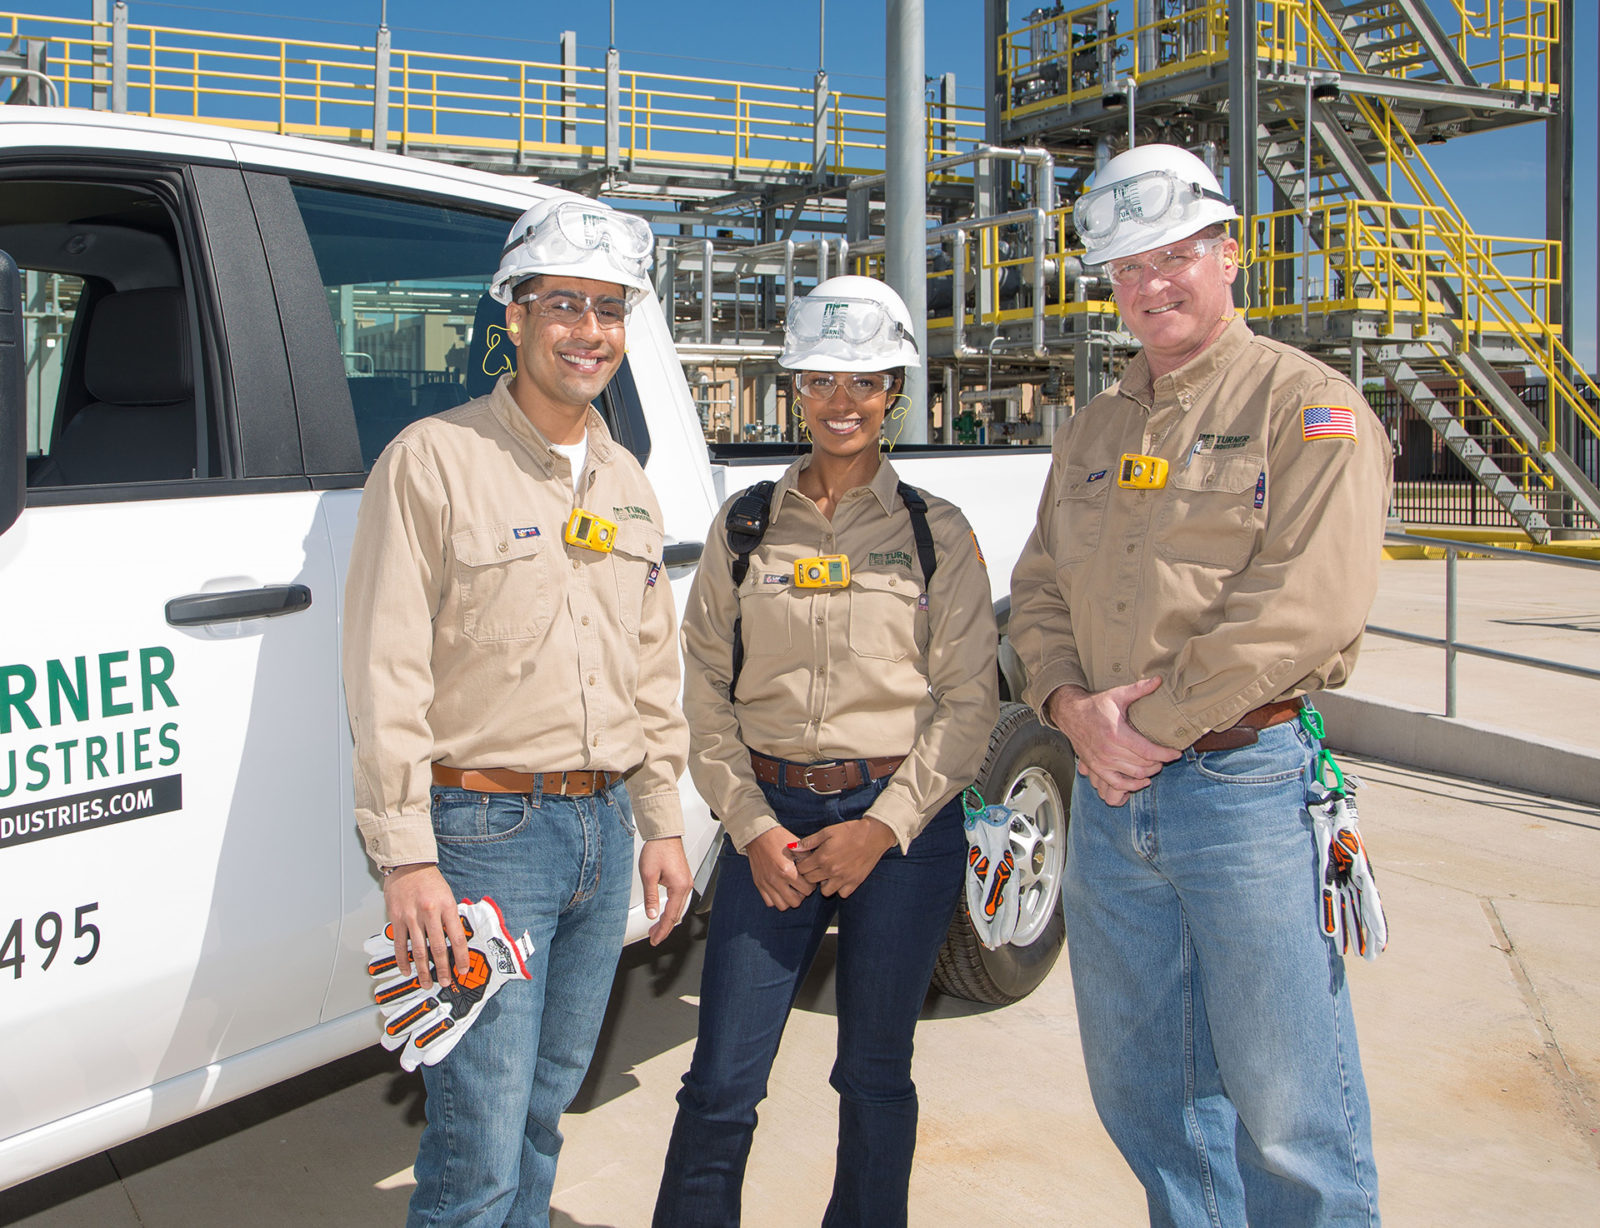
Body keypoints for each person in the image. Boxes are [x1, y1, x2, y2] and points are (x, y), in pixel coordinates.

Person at [1010, 143, 1392, 1227]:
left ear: (1229, 256)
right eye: (1127, 266)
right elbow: (1038, 590)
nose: (1151, 284)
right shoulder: (1091, 428)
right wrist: (1067, 710)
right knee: (1149, 1096)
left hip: (1246, 793)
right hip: (1111, 794)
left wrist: (1148, 728)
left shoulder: (1305, 408)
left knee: (1287, 1109)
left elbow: (1303, 606)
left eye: (1175, 253)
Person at [342, 194, 694, 1227]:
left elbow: (649, 666)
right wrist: (409, 858)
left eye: (609, 308)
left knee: (546, 1107)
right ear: (514, 315)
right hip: (488, 836)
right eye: (564, 305)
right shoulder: (434, 460)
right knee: (480, 1142)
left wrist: (662, 819)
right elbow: (384, 668)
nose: (589, 331)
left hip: (602, 825)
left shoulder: (628, 481)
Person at [653, 276, 1000, 1227]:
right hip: (772, 826)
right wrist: (753, 826)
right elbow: (703, 695)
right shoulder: (748, 526)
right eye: (820, 380)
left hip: (902, 829)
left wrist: (881, 831)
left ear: (894, 389)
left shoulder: (936, 535)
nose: (841, 401)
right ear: (794, 388)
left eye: (864, 381)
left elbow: (970, 704)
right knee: (721, 1077)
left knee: (876, 1075)